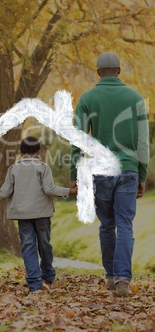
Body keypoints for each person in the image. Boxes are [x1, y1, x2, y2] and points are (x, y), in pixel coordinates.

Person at [70, 52, 149, 296]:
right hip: (127, 169)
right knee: (125, 225)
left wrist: (74, 172)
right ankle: (124, 278)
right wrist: (142, 173)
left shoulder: (87, 99)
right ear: (119, 71)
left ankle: (111, 276)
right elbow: (143, 143)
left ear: (98, 72)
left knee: (106, 225)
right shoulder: (136, 98)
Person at [0, 136, 77, 293]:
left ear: (21, 152)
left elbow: (4, 192)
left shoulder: (13, 170)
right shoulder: (43, 168)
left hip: (23, 216)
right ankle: (48, 276)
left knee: (28, 247)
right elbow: (49, 189)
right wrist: (69, 191)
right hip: (42, 214)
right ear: (39, 152)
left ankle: (35, 284)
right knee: (45, 246)